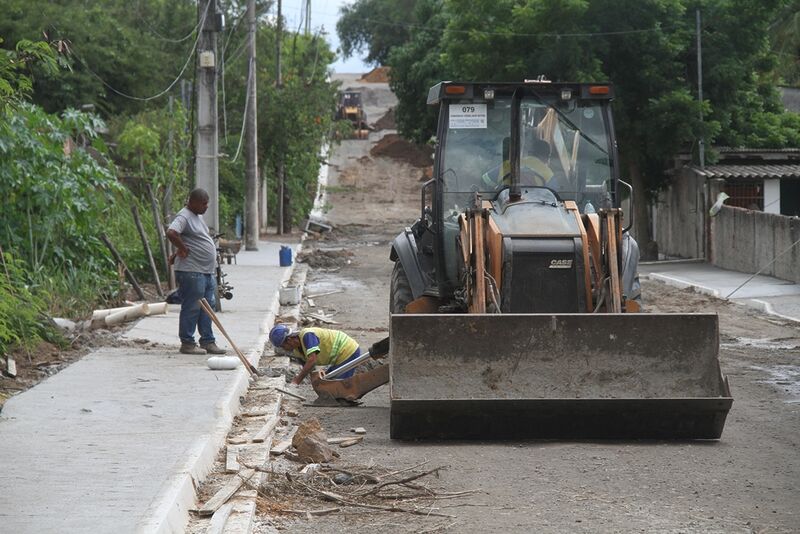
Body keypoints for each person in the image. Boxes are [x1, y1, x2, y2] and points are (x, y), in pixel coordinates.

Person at [166, 188, 226, 355]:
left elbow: (190, 239)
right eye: (203, 204)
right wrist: (183, 249)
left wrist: (178, 251)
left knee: (208, 306)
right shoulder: (184, 216)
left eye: (207, 203)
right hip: (192, 271)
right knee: (192, 306)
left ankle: (207, 341)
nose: (206, 207)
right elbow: (171, 232)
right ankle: (187, 343)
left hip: (205, 271)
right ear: (193, 202)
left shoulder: (197, 217)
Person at [269, 324, 362, 385]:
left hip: (348, 349)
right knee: (327, 381)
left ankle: (345, 398)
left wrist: (297, 381)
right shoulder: (297, 350)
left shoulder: (307, 335)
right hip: (338, 357)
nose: (284, 349)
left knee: (340, 385)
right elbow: (308, 366)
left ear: (289, 340)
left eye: (283, 346)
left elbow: (312, 361)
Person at [481, 137, 555, 190]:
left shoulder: (507, 165)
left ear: (529, 153)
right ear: (546, 157)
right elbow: (555, 194)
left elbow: (484, 181)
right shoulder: (548, 173)